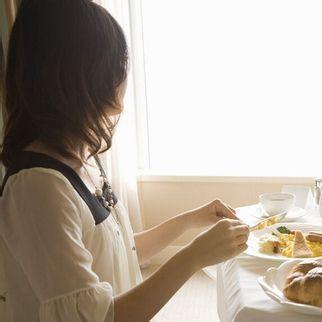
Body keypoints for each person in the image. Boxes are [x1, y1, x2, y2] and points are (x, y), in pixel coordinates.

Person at [0, 1, 249, 321]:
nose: (124, 73)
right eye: (118, 61)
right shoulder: (38, 187)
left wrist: (188, 220)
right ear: (81, 74)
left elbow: (117, 254)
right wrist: (193, 257)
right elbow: (102, 317)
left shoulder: (83, 156)